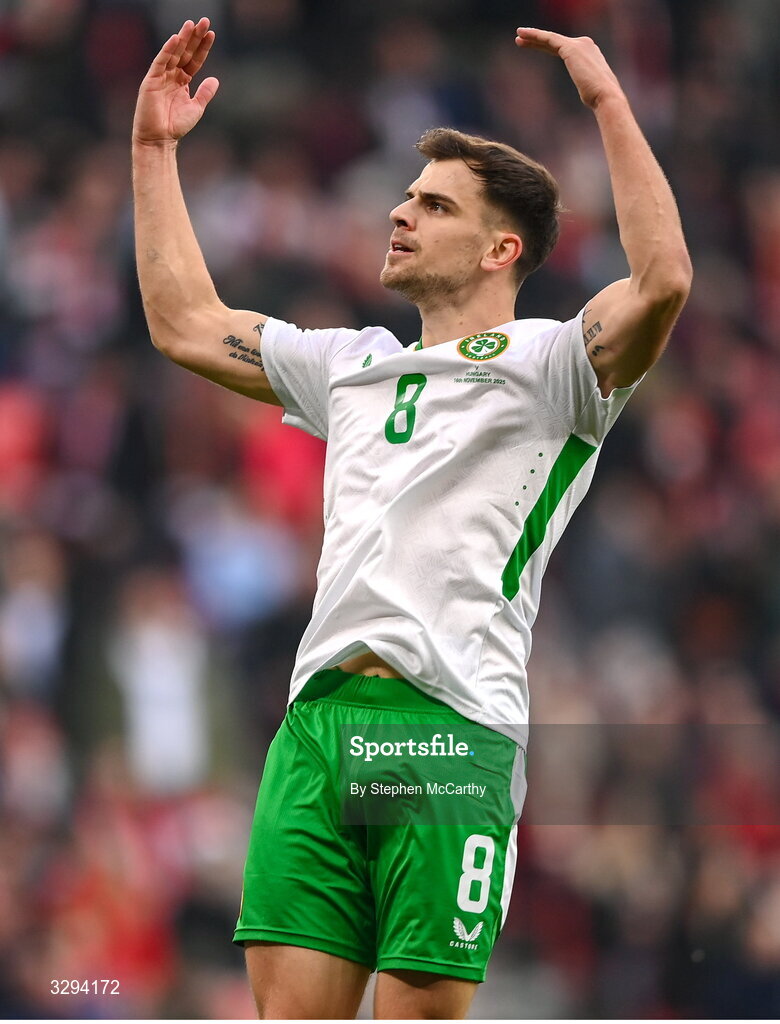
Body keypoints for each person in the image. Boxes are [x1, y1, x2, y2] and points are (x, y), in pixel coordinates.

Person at [132, 17, 691, 1020]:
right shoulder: (351, 366)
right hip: (319, 726)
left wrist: (608, 104)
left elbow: (664, 283)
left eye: (432, 205)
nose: (400, 213)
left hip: (448, 729)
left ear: (499, 247)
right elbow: (185, 322)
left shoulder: (555, 366)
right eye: (405, 196)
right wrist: (153, 151)